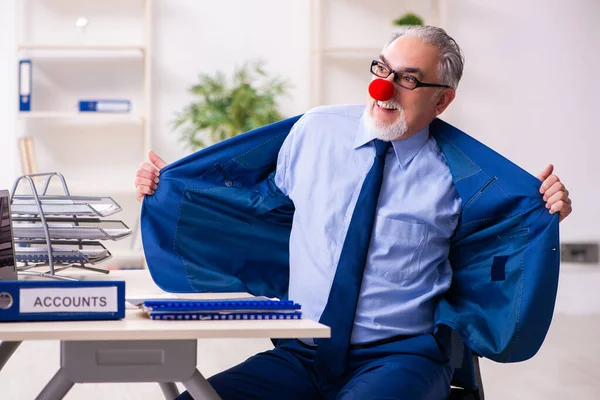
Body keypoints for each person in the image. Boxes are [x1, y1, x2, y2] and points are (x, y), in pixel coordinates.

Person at [135, 26, 572, 400]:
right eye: (382, 68)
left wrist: (545, 208)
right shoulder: (313, 132)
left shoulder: (457, 176)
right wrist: (167, 186)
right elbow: (243, 200)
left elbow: (506, 234)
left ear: (442, 101)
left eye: (408, 79)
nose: (384, 87)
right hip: (303, 352)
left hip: (402, 356)